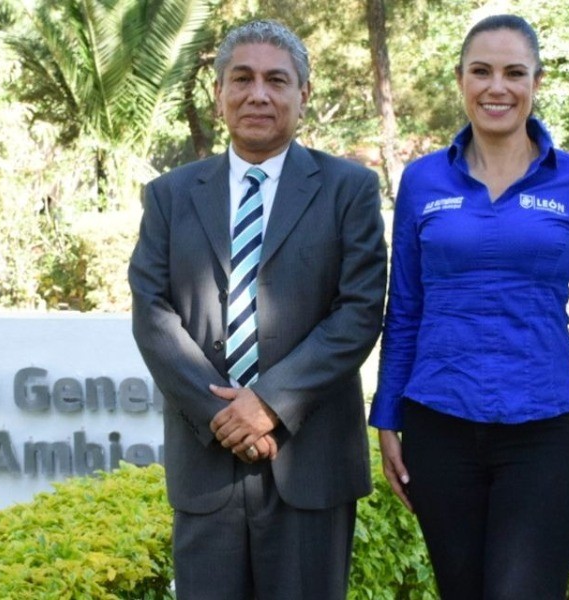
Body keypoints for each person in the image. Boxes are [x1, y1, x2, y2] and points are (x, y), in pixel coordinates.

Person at [128, 19, 386, 600]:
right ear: (218, 93)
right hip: (205, 463)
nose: (258, 94)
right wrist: (222, 415)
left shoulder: (349, 189)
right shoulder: (170, 195)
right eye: (241, 79)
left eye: (277, 80)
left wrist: (268, 403)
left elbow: (360, 311)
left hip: (310, 459)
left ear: (303, 94)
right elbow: (152, 312)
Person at [369, 14, 569, 599]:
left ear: (537, 81)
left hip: (545, 429)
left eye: (514, 72)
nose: (497, 87)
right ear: (460, 79)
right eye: (481, 72)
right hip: (439, 423)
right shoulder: (423, 181)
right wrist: (387, 417)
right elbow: (404, 308)